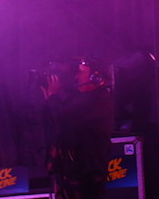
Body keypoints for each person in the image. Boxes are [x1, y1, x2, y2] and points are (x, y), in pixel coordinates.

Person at [40, 57, 115, 199]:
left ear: (95, 77)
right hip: (74, 170)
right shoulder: (84, 98)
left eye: (80, 73)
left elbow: (63, 115)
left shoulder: (98, 99)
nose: (76, 77)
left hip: (87, 172)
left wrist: (53, 96)